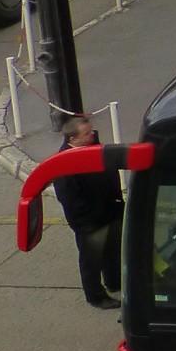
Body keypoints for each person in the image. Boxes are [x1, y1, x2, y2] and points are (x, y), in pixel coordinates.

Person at [51, 116, 123, 310]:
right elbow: (69, 199)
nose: (92, 135)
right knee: (92, 260)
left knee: (112, 250)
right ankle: (95, 296)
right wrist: (89, 219)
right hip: (90, 221)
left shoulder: (92, 147)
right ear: (72, 139)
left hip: (109, 211)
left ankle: (114, 281)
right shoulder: (64, 163)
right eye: (87, 133)